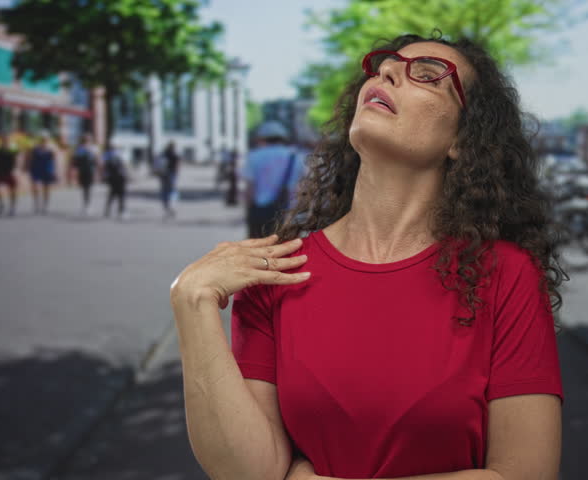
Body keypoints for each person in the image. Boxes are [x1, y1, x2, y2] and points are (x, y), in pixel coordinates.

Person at [170, 33, 566, 479]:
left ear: (462, 140)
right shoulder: (277, 272)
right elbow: (250, 473)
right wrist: (192, 302)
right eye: (384, 66)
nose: (389, 71)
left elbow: (527, 472)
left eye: (429, 75)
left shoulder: (506, 273)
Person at [241, 121, 306, 238]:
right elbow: (301, 188)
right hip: (289, 215)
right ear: (283, 138)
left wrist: (248, 212)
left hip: (261, 213)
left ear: (262, 139)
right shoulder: (295, 157)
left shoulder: (253, 156)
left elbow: (250, 189)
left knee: (260, 251)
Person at [27, 134, 58, 214]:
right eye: (42, 139)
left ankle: (45, 205)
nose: (44, 140)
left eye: (45, 138)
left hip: (47, 170)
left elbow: (54, 160)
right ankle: (36, 204)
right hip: (36, 169)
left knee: (46, 188)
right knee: (35, 186)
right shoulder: (35, 148)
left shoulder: (51, 148)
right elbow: (30, 158)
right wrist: (28, 167)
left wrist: (55, 171)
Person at [69, 133, 99, 216]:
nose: (87, 141)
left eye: (88, 139)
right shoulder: (79, 149)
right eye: (85, 139)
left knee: (88, 188)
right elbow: (74, 161)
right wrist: (73, 171)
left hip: (90, 170)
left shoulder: (94, 148)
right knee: (84, 188)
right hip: (82, 170)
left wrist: (98, 171)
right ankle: (85, 205)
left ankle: (88, 205)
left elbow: (97, 160)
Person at [0, 135, 19, 217]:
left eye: (6, 139)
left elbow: (18, 159)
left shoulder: (13, 149)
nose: (5, 141)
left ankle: (12, 207)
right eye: (3, 139)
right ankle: (0, 205)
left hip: (10, 171)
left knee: (13, 189)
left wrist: (17, 170)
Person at [101, 143, 128, 220]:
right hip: (120, 177)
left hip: (112, 177)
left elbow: (103, 166)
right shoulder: (119, 154)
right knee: (121, 195)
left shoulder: (106, 155)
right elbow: (125, 165)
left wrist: (104, 176)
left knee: (112, 194)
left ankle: (108, 211)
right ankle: (121, 212)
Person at [159, 141, 180, 219]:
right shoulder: (175, 155)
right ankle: (171, 206)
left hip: (164, 175)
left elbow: (159, 164)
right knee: (172, 191)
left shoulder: (163, 154)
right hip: (171, 175)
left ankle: (167, 207)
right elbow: (177, 166)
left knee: (165, 191)